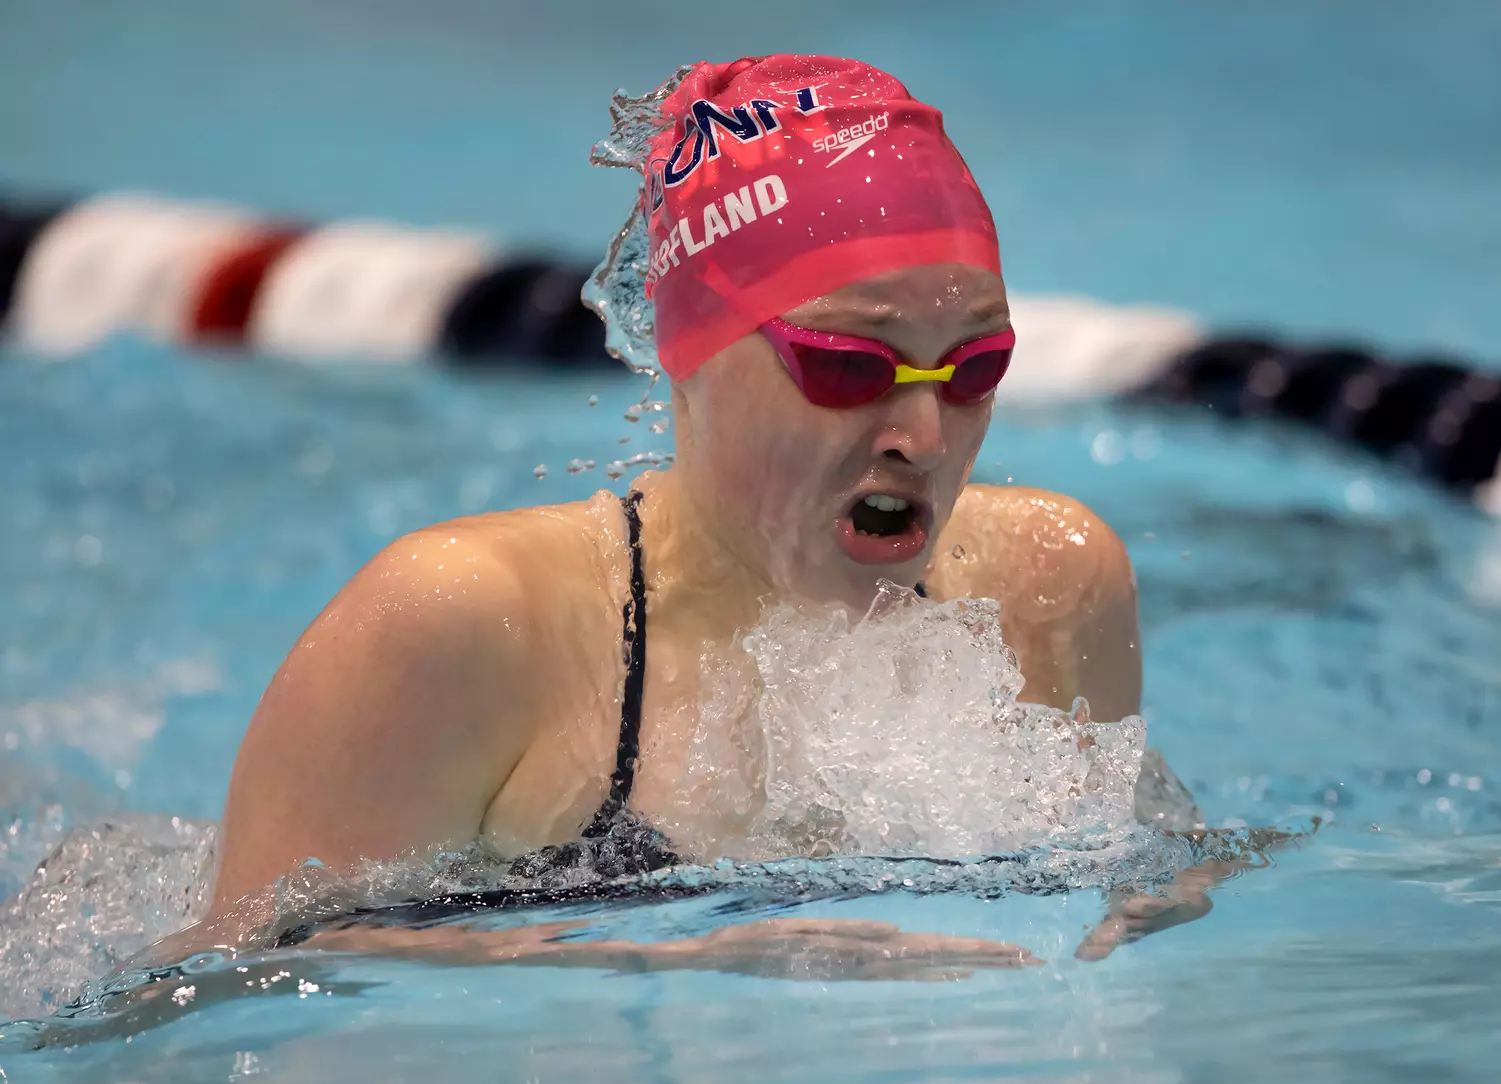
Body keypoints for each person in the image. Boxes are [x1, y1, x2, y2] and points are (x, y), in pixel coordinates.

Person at [205, 55, 1221, 976]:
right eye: (848, 367)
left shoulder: (1050, 583)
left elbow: (1156, 873)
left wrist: (1171, 893)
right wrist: (685, 953)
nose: (923, 434)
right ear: (687, 346)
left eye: (976, 368)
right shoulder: (463, 623)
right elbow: (231, 984)